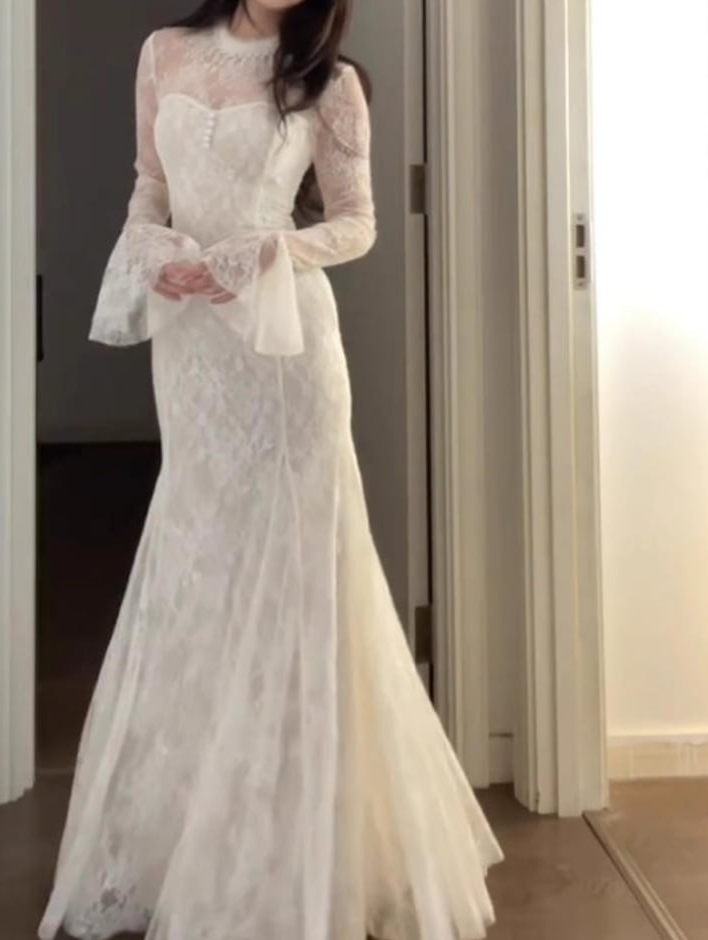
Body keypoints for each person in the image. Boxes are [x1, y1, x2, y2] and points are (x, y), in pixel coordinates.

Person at [37, 1, 503, 938]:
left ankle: (291, 854)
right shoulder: (163, 52)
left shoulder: (330, 81)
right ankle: (188, 841)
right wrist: (154, 246)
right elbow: (148, 187)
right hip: (193, 351)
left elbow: (358, 223)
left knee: (297, 577)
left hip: (287, 358)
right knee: (199, 566)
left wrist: (267, 249)